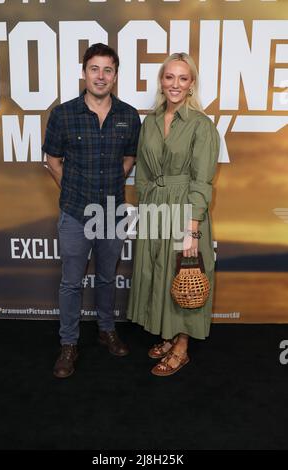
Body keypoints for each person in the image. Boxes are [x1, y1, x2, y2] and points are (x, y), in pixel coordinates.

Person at [42, 43, 141, 378]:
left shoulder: (128, 115)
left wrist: (110, 187)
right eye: (94, 69)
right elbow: (52, 161)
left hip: (112, 213)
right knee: (71, 283)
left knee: (105, 276)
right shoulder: (63, 114)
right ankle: (68, 343)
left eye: (108, 70)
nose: (101, 76)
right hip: (74, 212)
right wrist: (73, 191)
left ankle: (106, 329)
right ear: (84, 72)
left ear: (115, 75)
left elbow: (129, 159)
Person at [127, 53, 220, 376]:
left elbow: (202, 179)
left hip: (185, 210)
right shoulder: (150, 121)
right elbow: (141, 171)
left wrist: (192, 227)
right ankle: (168, 334)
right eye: (169, 77)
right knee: (160, 273)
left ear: (191, 84)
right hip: (155, 207)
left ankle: (181, 347)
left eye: (183, 78)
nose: (175, 84)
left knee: (183, 276)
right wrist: (146, 201)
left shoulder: (201, 126)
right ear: (161, 81)